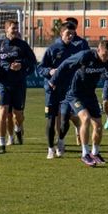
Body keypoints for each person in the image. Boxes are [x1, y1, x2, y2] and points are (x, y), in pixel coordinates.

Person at [49, 40, 108, 167]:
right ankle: (85, 154)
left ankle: (95, 153)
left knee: (98, 125)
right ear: (98, 50)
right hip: (75, 94)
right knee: (85, 118)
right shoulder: (85, 56)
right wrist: (54, 80)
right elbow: (65, 63)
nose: (106, 58)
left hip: (90, 95)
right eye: (104, 55)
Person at [0, 19, 37, 155]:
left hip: (19, 84)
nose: (15, 30)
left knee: (17, 115)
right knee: (3, 112)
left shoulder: (22, 45)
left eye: (16, 28)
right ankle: (2, 145)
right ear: (6, 29)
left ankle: (18, 129)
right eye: (13, 28)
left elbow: (33, 61)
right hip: (3, 84)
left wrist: (21, 65)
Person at [37, 22, 85, 159]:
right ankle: (50, 148)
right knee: (51, 120)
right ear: (61, 33)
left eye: (72, 34)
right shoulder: (52, 49)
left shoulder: (76, 51)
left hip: (68, 91)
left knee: (65, 119)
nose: (70, 36)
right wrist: (50, 71)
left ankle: (61, 141)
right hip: (52, 90)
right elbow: (40, 68)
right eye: (68, 33)